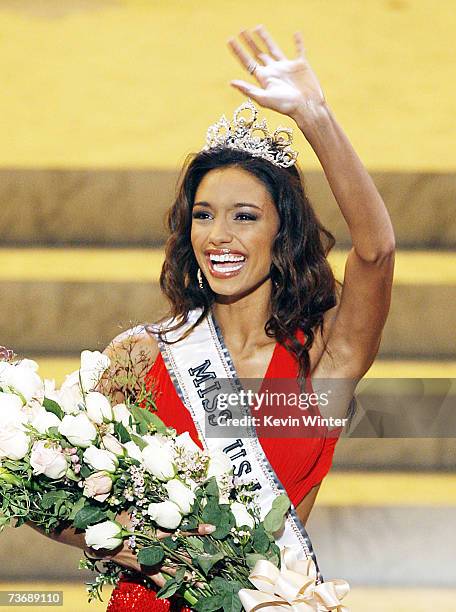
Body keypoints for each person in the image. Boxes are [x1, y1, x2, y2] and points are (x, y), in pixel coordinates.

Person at [37, 25, 395, 611]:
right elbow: (48, 494)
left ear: (284, 232)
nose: (219, 236)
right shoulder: (141, 355)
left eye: (245, 216)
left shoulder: (326, 357)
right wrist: (125, 541)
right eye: (203, 215)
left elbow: (376, 252)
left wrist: (317, 119)